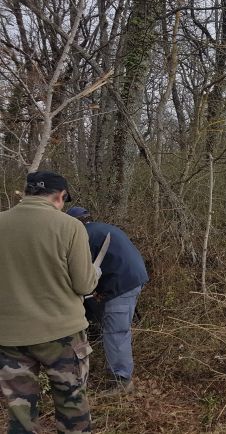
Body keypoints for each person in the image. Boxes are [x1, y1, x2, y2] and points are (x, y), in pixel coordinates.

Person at [0, 171, 98, 433]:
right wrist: (94, 275)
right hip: (62, 334)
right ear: (60, 196)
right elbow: (84, 285)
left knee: (20, 414)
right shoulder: (70, 226)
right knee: (72, 407)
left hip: (9, 337)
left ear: (27, 192)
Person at [67, 206, 149, 397]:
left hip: (122, 284)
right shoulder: (102, 228)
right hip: (132, 278)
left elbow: (82, 275)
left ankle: (121, 381)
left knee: (116, 332)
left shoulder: (83, 237)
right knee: (114, 325)